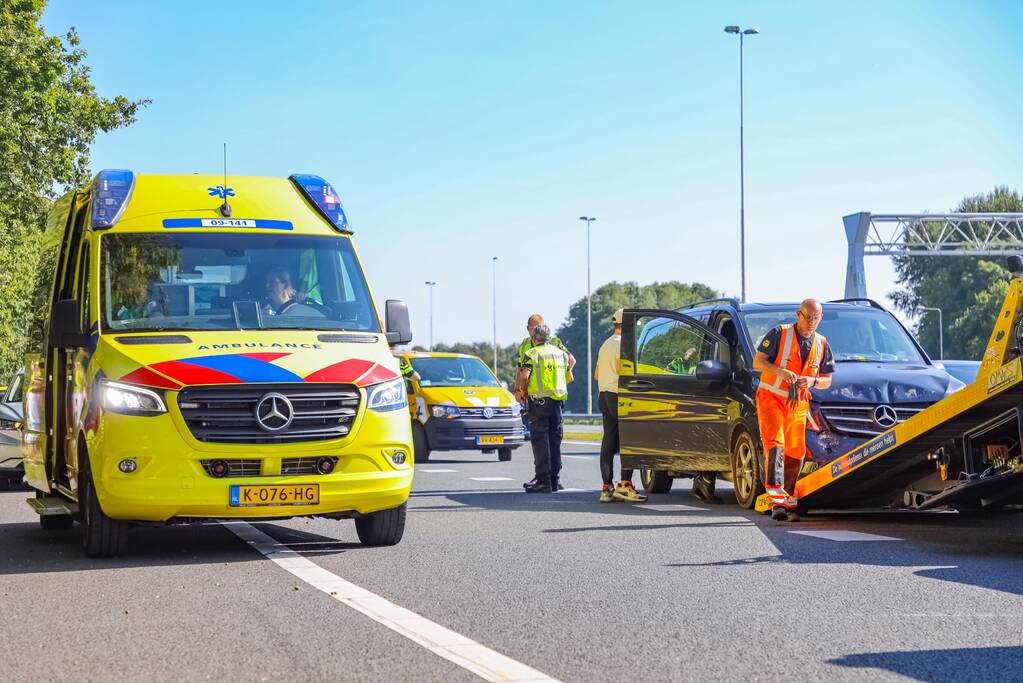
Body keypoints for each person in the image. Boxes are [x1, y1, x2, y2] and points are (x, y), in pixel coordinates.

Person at [752, 299, 834, 522]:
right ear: (798, 314)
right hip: (771, 398)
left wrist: (812, 380)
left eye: (816, 318)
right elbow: (758, 362)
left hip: (798, 404)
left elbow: (827, 380)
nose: (811, 322)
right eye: (808, 317)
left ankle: (787, 499)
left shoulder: (822, 343)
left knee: (796, 452)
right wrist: (779, 371)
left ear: (821, 318)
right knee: (775, 445)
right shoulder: (779, 333)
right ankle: (777, 502)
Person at [594, 309, 647, 503]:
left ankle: (606, 488)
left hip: (604, 395)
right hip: (619, 395)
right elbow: (623, 370)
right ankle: (625, 485)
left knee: (608, 441)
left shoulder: (605, 345)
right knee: (629, 439)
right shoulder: (622, 345)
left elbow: (597, 375)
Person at [515, 324, 574, 493]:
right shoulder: (561, 354)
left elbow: (524, 375)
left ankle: (543, 480)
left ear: (534, 338)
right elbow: (570, 364)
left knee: (540, 442)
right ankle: (555, 480)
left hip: (539, 404)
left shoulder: (531, 354)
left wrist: (522, 391)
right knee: (555, 441)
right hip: (557, 403)